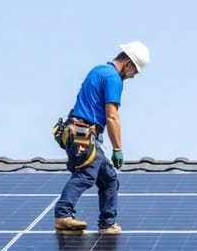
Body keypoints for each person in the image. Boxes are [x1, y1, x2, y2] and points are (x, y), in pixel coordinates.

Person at [53, 41, 150, 235]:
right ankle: (62, 214)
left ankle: (107, 224)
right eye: (135, 72)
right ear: (128, 63)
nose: (132, 77)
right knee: (86, 175)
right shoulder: (114, 78)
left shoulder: (98, 71)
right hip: (85, 133)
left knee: (109, 179)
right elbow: (112, 115)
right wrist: (117, 148)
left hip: (77, 132)